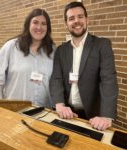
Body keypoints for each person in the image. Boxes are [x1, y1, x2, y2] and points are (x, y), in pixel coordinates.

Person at [50, 1, 118, 130]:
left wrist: (106, 116)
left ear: (87, 20)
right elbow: (56, 78)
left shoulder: (102, 45)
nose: (76, 21)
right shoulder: (61, 50)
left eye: (80, 16)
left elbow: (108, 80)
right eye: (71, 18)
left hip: (94, 117)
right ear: (66, 24)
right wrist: (59, 104)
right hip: (67, 113)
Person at [0, 8, 55, 108]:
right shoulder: (11, 47)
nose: (39, 27)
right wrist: (0, 106)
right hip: (15, 110)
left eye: (43, 23)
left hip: (44, 111)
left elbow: (57, 81)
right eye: (35, 22)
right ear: (28, 25)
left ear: (48, 28)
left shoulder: (53, 51)